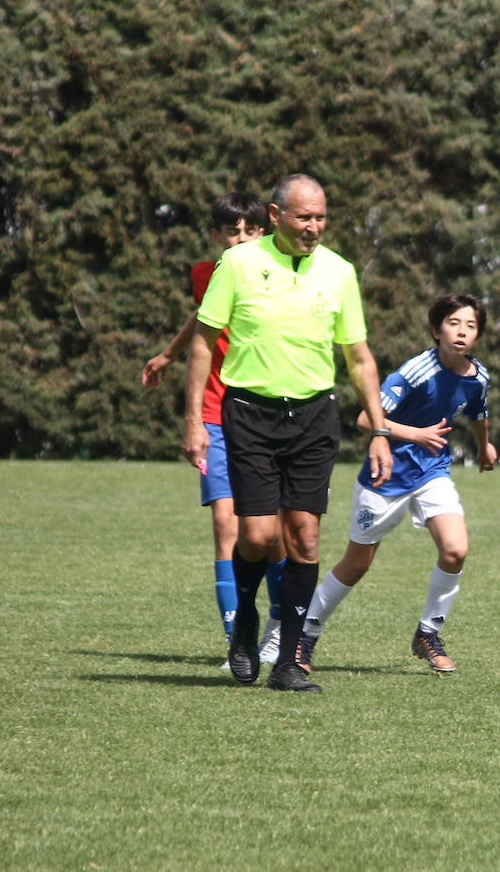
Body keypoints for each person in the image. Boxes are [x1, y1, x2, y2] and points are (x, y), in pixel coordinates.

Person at [182, 173, 392, 694]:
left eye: (321, 218)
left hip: (314, 417)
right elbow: (204, 344)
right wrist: (193, 422)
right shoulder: (238, 264)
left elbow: (359, 356)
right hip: (249, 413)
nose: (314, 227)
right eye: (304, 217)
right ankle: (246, 628)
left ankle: (290, 662)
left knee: (304, 534)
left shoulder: (340, 271)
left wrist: (381, 431)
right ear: (276, 217)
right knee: (257, 535)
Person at [295, 293, 497, 680]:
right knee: (357, 564)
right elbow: (365, 420)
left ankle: (428, 633)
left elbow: (478, 412)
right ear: (437, 329)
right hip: (385, 475)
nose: (462, 331)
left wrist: (484, 444)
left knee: (455, 550)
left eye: (471, 326)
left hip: (432, 473)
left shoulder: (478, 376)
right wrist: (416, 434)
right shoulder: (416, 371)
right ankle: (306, 633)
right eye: (454, 323)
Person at [142, 192, 286, 668]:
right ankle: (237, 637)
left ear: (263, 233)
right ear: (216, 236)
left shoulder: (281, 273)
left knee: (270, 533)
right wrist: (170, 354)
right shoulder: (208, 274)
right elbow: (204, 320)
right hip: (214, 413)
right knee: (226, 524)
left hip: (264, 411)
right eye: (231, 232)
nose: (240, 239)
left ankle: (283, 627)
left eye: (249, 231)